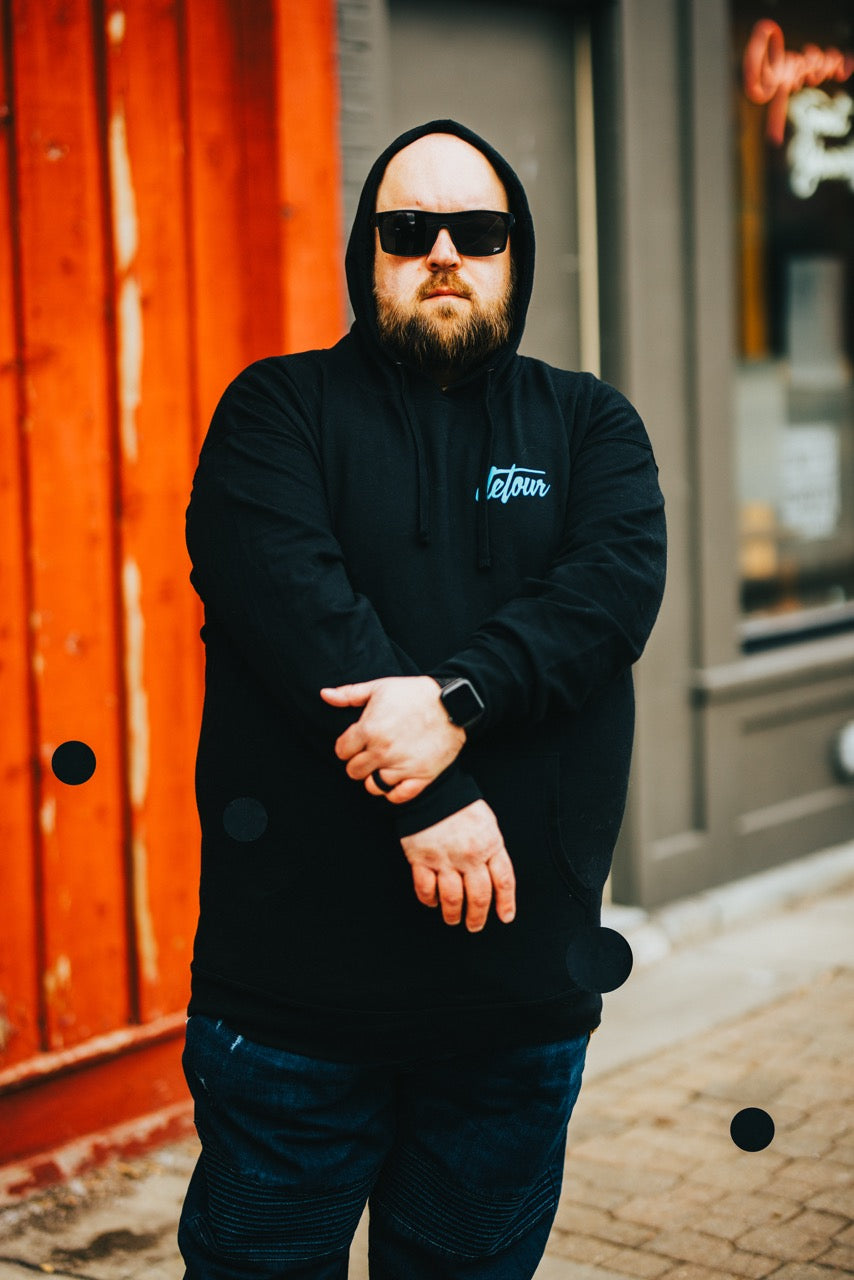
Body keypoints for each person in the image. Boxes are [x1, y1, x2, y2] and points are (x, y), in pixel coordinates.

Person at [178, 118, 666, 1280]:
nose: (443, 250)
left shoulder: (588, 423)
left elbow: (605, 597)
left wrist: (453, 696)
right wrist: (431, 792)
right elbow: (294, 601)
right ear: (368, 253)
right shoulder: (274, 412)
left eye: (478, 229)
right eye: (408, 229)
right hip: (290, 1009)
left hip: (515, 1003)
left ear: (516, 254)